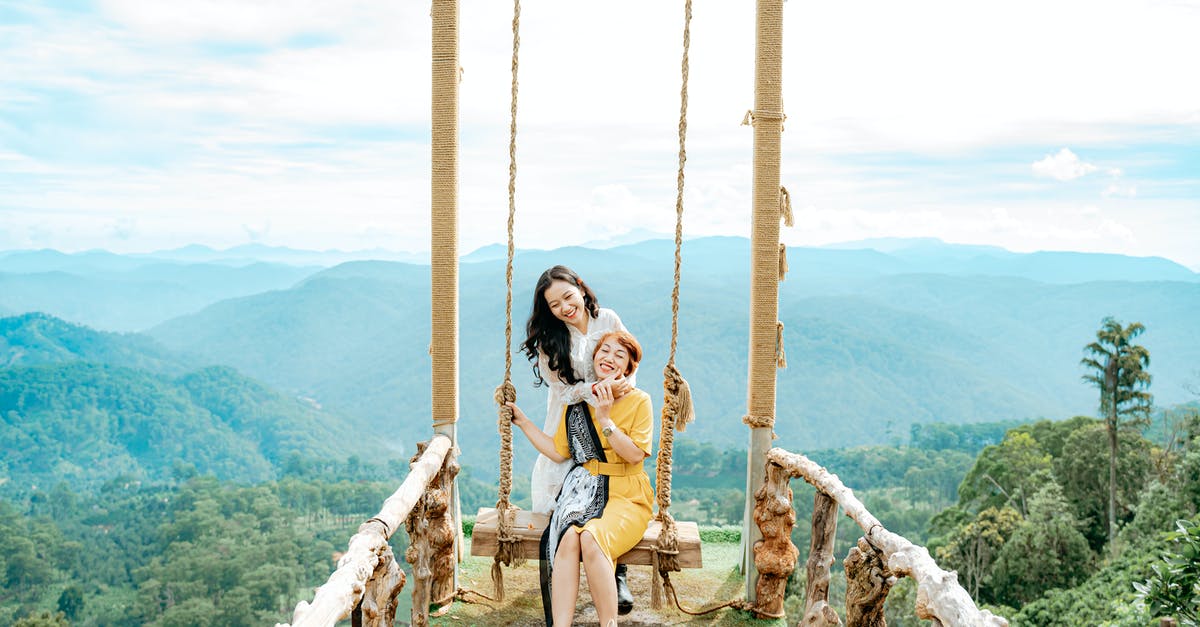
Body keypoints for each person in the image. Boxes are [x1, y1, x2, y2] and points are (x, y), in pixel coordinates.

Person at [508, 330, 654, 627]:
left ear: (629, 368)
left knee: (591, 536)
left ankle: (608, 623)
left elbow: (635, 455)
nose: (609, 359)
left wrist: (605, 419)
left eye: (619, 356)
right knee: (568, 536)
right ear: (595, 357)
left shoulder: (640, 401)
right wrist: (523, 422)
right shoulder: (577, 403)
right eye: (605, 351)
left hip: (627, 496)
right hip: (584, 493)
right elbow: (558, 451)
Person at [519, 265, 636, 613]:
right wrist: (595, 389)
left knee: (614, 487)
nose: (564, 308)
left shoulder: (609, 319)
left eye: (567, 297)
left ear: (581, 289)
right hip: (570, 419)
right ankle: (570, 580)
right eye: (554, 305)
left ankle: (617, 573)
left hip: (612, 413)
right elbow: (562, 390)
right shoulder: (551, 340)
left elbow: (629, 354)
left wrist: (624, 386)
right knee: (573, 501)